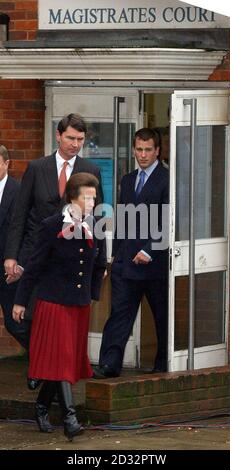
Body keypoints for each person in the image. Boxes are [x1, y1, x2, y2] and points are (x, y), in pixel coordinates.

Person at [4, 113, 103, 370]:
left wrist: (98, 260)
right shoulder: (38, 168)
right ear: (58, 136)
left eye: (80, 139)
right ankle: (41, 361)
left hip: (67, 258)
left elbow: (97, 218)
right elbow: (20, 214)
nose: (75, 144)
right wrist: (11, 255)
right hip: (34, 252)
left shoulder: (90, 170)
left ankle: (47, 370)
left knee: (59, 321)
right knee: (25, 317)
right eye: (70, 138)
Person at [12, 172, 107, 440]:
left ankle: (42, 406)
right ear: (72, 198)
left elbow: (100, 263)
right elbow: (34, 266)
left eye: (94, 197)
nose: (92, 201)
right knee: (62, 359)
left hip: (79, 305)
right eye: (87, 197)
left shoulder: (96, 224)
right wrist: (20, 301)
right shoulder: (51, 225)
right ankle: (70, 419)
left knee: (65, 361)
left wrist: (92, 294)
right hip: (53, 302)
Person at [94, 128, 169, 379]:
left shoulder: (168, 179)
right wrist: (113, 256)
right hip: (126, 263)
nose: (143, 154)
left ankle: (162, 365)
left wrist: (149, 250)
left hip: (156, 263)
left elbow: (171, 221)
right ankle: (109, 365)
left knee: (162, 316)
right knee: (119, 314)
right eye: (139, 149)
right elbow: (123, 220)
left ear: (157, 151)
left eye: (148, 150)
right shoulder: (127, 180)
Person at [0, 145, 29, 347]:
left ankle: (41, 360)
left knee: (14, 323)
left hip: (8, 270)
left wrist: (19, 264)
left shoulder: (19, 191)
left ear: (6, 163)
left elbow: (25, 231)